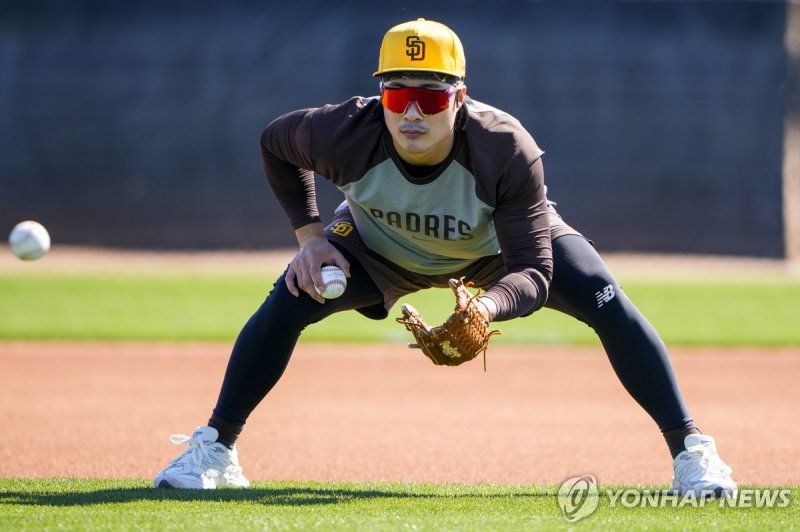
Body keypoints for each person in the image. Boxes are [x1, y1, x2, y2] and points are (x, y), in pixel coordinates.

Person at [154, 18, 737, 497]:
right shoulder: (342, 131)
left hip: (493, 252)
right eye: (398, 95)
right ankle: (217, 450)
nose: (412, 113)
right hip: (380, 248)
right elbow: (274, 144)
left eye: (430, 97)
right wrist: (310, 239)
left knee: (605, 298)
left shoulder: (505, 147)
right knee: (292, 294)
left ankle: (692, 454)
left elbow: (533, 271)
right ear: (381, 96)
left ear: (458, 98)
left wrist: (488, 307)